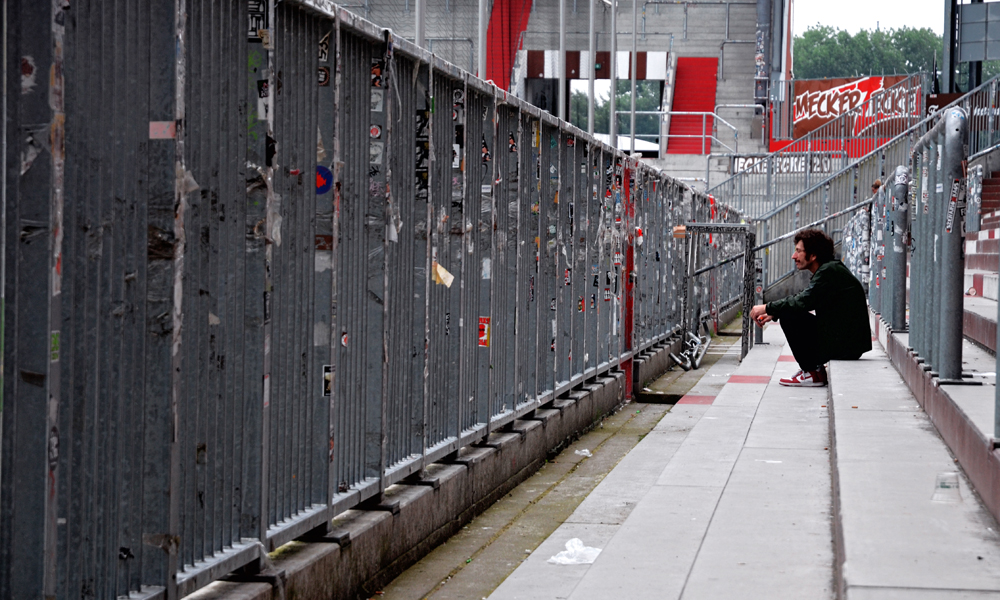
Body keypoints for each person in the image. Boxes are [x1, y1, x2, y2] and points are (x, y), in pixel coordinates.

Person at [748, 228, 871, 387]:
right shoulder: (829, 269)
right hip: (846, 342)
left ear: (813, 255)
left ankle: (811, 372)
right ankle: (815, 371)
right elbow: (806, 299)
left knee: (789, 316)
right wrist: (774, 312)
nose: (794, 256)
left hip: (846, 346)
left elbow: (803, 301)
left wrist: (767, 307)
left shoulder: (828, 271)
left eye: (798, 251)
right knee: (789, 312)